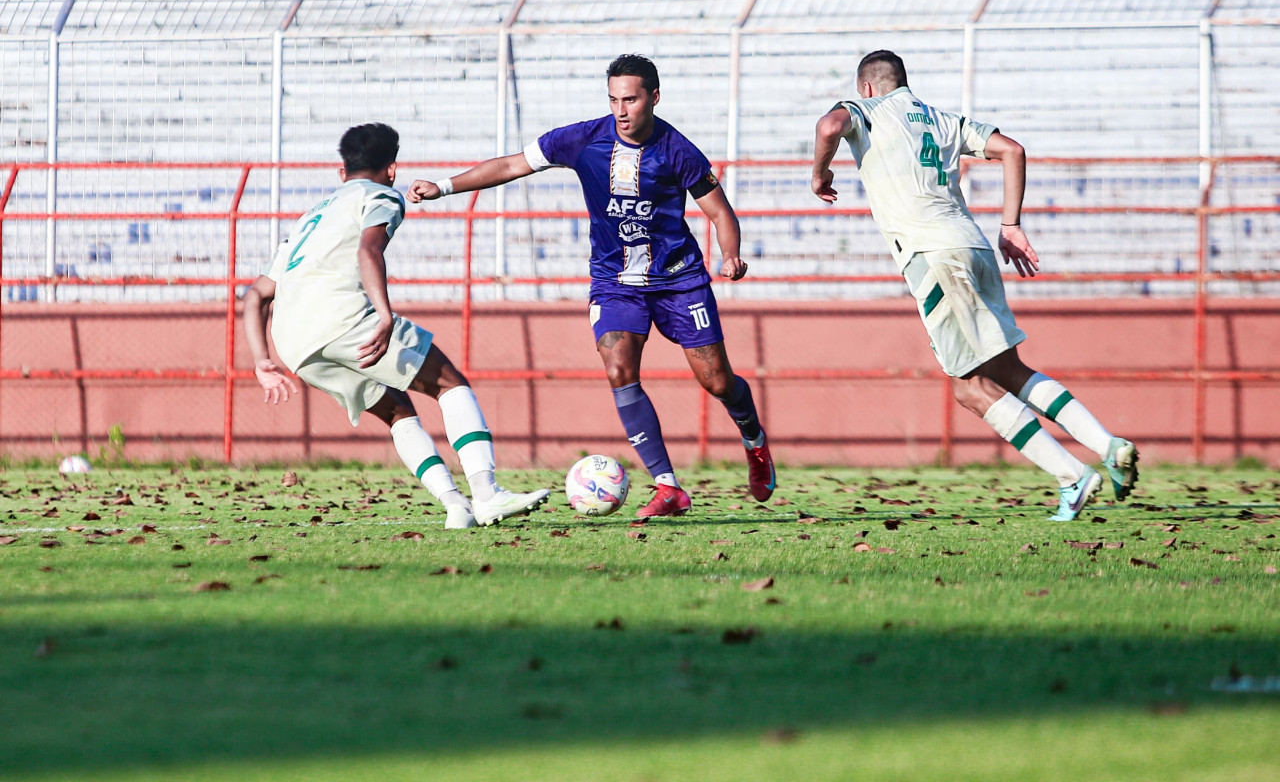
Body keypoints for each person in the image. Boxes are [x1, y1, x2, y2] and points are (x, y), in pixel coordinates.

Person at [407, 54, 775, 518]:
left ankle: (754, 439)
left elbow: (720, 212)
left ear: (654, 98)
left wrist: (731, 254)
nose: (621, 109)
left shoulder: (678, 150)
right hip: (615, 281)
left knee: (717, 381)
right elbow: (511, 165)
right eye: (614, 99)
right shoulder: (582, 139)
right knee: (619, 368)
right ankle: (667, 486)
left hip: (679, 280)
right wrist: (443, 187)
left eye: (631, 99)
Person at [810, 50, 1138, 521]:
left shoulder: (866, 110)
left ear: (865, 87)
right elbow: (1013, 150)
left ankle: (1072, 476)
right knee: (1008, 370)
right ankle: (1109, 446)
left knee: (969, 387)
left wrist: (820, 172)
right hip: (977, 247)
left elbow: (827, 127)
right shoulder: (942, 120)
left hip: (933, 255)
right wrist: (1011, 224)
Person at [243, 122, 550, 529]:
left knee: (397, 411)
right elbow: (370, 250)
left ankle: (456, 507)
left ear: (342, 173)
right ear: (392, 169)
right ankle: (487, 494)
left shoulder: (308, 218)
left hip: (293, 343)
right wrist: (384, 314)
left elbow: (255, 295)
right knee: (448, 384)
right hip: (342, 317)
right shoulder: (381, 195)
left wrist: (262, 361)